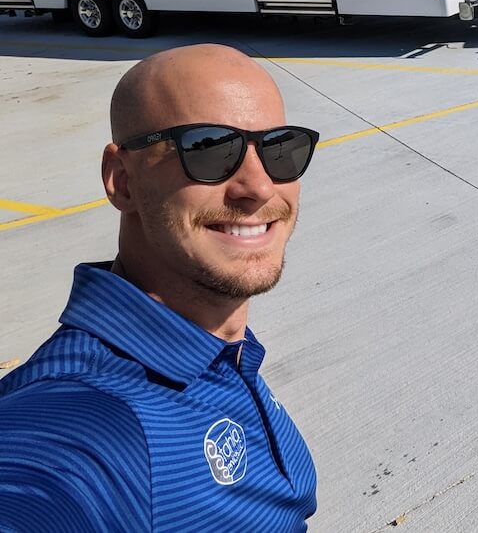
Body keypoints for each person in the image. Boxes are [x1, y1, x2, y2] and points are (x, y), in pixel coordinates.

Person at [0, 44, 320, 531]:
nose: (259, 187)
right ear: (121, 179)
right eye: (208, 147)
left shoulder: (215, 344)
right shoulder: (89, 431)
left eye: (279, 147)